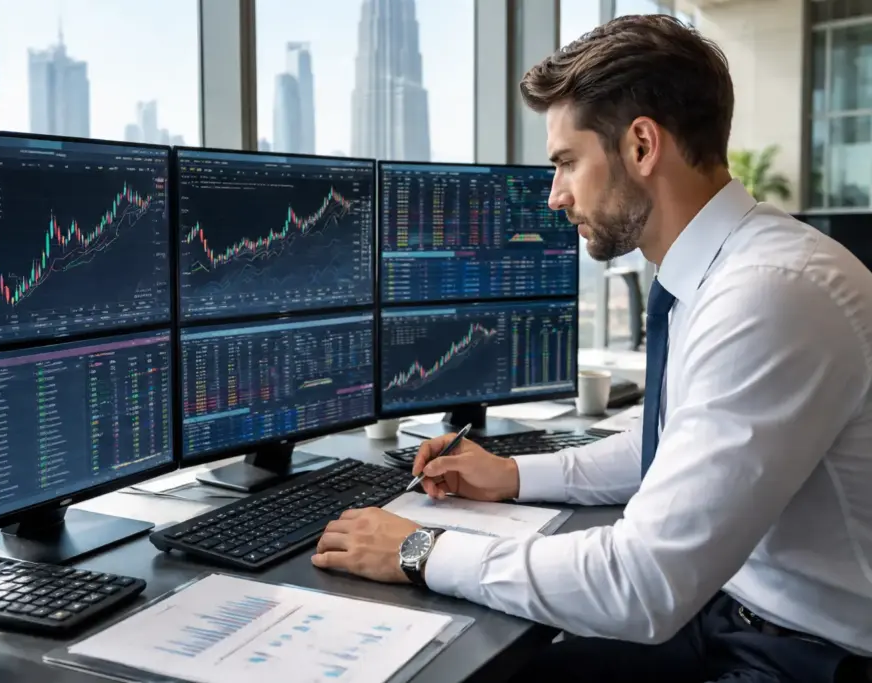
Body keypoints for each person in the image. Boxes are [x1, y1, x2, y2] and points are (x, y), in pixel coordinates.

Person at [311, 13, 872, 683]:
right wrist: (514, 476)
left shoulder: (770, 293)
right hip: (730, 612)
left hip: (807, 655)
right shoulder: (727, 270)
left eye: (566, 162)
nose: (555, 196)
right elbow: (666, 447)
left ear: (641, 146)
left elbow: (643, 584)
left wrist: (420, 549)